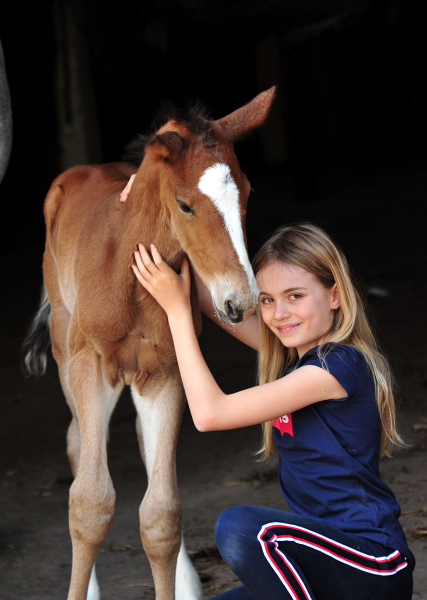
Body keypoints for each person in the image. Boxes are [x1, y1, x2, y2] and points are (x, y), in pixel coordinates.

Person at [131, 222, 414, 600]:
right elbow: (212, 301)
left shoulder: (337, 366)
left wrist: (176, 314)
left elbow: (210, 414)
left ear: (334, 296)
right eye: (266, 299)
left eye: (294, 296)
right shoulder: (293, 364)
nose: (279, 313)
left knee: (243, 528)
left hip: (371, 564)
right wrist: (162, 208)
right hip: (319, 563)